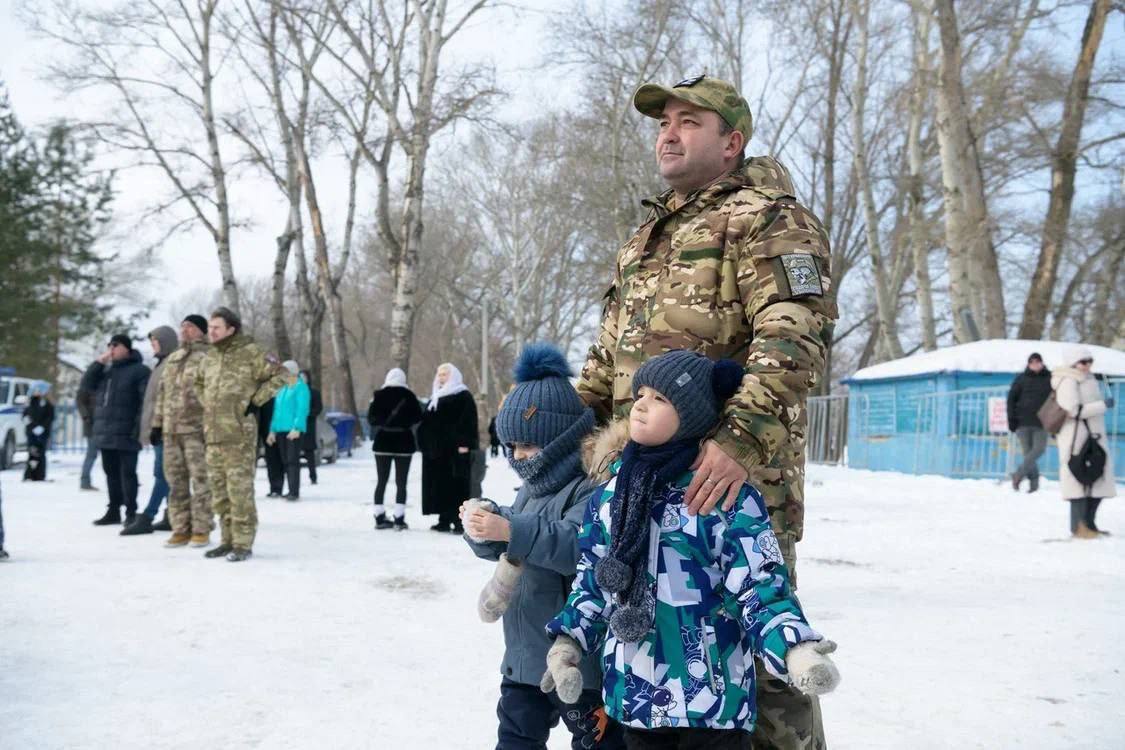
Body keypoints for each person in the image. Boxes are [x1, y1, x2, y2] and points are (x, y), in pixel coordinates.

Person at [576, 76, 837, 748]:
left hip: (725, 488)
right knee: (644, 655)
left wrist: (738, 440)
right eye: (663, 121)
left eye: (689, 121)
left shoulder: (766, 219)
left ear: (731, 143)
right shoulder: (648, 237)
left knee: (761, 662)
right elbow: (610, 360)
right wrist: (560, 430)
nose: (668, 132)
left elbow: (792, 332)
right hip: (639, 489)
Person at [544, 351, 839, 749]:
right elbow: (594, 581)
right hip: (637, 700)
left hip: (714, 703)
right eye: (641, 394)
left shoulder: (724, 498)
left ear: (694, 415)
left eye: (661, 399)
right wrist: (569, 642)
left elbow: (758, 586)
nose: (642, 405)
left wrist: (795, 648)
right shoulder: (611, 498)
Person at [461, 344, 624, 750]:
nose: (519, 457)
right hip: (522, 658)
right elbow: (513, 546)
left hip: (575, 663)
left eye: (528, 447)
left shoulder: (589, 489)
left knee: (598, 742)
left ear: (561, 439)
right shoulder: (531, 490)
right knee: (515, 740)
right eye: (513, 447)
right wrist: (483, 527)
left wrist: (509, 528)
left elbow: (572, 545)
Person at [195, 307, 287, 561]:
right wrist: (209, 405)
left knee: (239, 492)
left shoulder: (252, 352)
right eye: (210, 327)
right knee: (220, 493)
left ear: (231, 330)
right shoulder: (210, 356)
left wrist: (256, 401)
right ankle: (226, 541)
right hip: (213, 435)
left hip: (239, 436)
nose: (210, 332)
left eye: (216, 328)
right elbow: (198, 382)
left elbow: (284, 375)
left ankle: (243, 543)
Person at [152, 315, 212, 548]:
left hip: (196, 431)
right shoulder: (174, 358)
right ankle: (180, 528)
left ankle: (201, 528)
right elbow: (162, 393)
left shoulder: (208, 357)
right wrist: (157, 424)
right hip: (171, 431)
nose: (185, 330)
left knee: (200, 480)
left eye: (191, 327)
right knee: (175, 481)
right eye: (183, 326)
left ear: (201, 331)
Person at [81, 334, 151, 526]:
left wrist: (139, 429)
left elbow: (145, 402)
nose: (111, 349)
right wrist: (98, 363)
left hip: (127, 432)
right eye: (110, 345)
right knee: (110, 472)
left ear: (127, 348)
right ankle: (113, 510)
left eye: (116, 345)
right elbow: (86, 385)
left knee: (128, 474)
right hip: (106, 431)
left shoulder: (140, 371)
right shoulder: (107, 371)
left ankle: (130, 512)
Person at [1052, 347, 1116, 538]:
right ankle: (1079, 527)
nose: (1087, 366)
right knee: (1078, 480)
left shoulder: (1087, 379)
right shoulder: (1068, 380)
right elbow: (1072, 410)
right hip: (1077, 438)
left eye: (1089, 362)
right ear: (1073, 363)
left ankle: (1090, 524)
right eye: (1083, 362)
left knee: (1098, 480)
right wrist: (1102, 405)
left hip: (1093, 436)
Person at [122, 325, 179, 535]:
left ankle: (148, 516)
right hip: (158, 427)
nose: (152, 345)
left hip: (166, 428)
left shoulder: (171, 365)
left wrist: (159, 425)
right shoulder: (161, 364)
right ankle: (171, 514)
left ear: (165, 342)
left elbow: (167, 399)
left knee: (162, 474)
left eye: (155, 341)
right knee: (164, 474)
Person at [418, 363, 478, 533]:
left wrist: (464, 444)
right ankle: (443, 518)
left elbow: (468, 422)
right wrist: (424, 442)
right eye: (440, 374)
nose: (441, 377)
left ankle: (458, 521)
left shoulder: (462, 395)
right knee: (439, 484)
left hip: (455, 450)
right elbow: (427, 422)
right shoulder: (435, 396)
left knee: (457, 484)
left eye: (445, 374)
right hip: (436, 451)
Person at [367, 368, 422, 530]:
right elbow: (418, 417)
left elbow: (371, 419)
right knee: (401, 482)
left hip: (383, 442)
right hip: (403, 443)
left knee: (381, 481)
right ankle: (399, 518)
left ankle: (379, 516)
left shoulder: (378, 395)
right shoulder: (410, 396)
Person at [1007, 352, 1052, 493]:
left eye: (1038, 361)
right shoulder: (1021, 379)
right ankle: (1034, 485)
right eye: (1032, 362)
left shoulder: (1051, 378)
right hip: (1022, 421)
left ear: (1042, 363)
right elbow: (1011, 400)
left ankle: (1018, 474)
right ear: (1028, 364)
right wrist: (1011, 419)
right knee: (1028, 454)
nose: (1035, 364)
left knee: (1039, 449)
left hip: (1042, 422)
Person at [267, 361, 309, 501]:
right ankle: (290, 489)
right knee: (285, 461)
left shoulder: (301, 388)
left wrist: (297, 428)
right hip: (280, 430)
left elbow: (302, 409)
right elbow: (276, 412)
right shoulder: (282, 389)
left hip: (293, 431)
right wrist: (272, 431)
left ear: (292, 372)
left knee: (292, 461)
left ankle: (294, 492)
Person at [22, 381, 55, 482]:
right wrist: (32, 427)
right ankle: (30, 474)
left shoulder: (48, 404)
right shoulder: (29, 402)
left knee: (41, 453)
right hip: (31, 433)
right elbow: (25, 416)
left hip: (43, 433)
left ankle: (40, 475)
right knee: (32, 453)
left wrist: (42, 427)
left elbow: (50, 417)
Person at [300, 370, 323, 485]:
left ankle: (313, 476)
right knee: (292, 454)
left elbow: (318, 408)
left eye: (304, 377)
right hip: (294, 426)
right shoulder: (294, 392)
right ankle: (291, 477)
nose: (302, 379)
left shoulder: (314, 393)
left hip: (308, 426)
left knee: (309, 453)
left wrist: (307, 414)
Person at [259, 397, 284, 497]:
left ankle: (278, 487)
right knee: (271, 459)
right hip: (265, 428)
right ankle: (275, 487)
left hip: (279, 429)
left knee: (278, 459)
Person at [76, 383, 98, 491]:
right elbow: (80, 403)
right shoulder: (86, 385)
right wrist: (86, 417)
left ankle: (122, 481)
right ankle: (85, 481)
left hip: (106, 426)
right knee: (91, 455)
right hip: (92, 425)